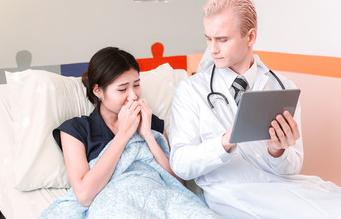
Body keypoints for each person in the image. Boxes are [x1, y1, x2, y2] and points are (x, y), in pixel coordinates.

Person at [169, 0, 341, 219]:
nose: (213, 49)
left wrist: (277, 151)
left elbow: (293, 167)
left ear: (250, 37)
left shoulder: (281, 87)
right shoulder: (191, 91)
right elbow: (180, 164)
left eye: (222, 39)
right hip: (233, 195)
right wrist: (224, 143)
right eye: (208, 38)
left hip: (283, 187)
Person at [40, 47, 221, 219]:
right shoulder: (76, 130)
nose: (133, 95)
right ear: (98, 91)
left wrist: (148, 135)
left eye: (136, 85)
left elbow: (177, 182)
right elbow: (84, 195)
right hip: (115, 202)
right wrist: (123, 135)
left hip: (161, 197)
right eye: (122, 89)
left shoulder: (152, 122)